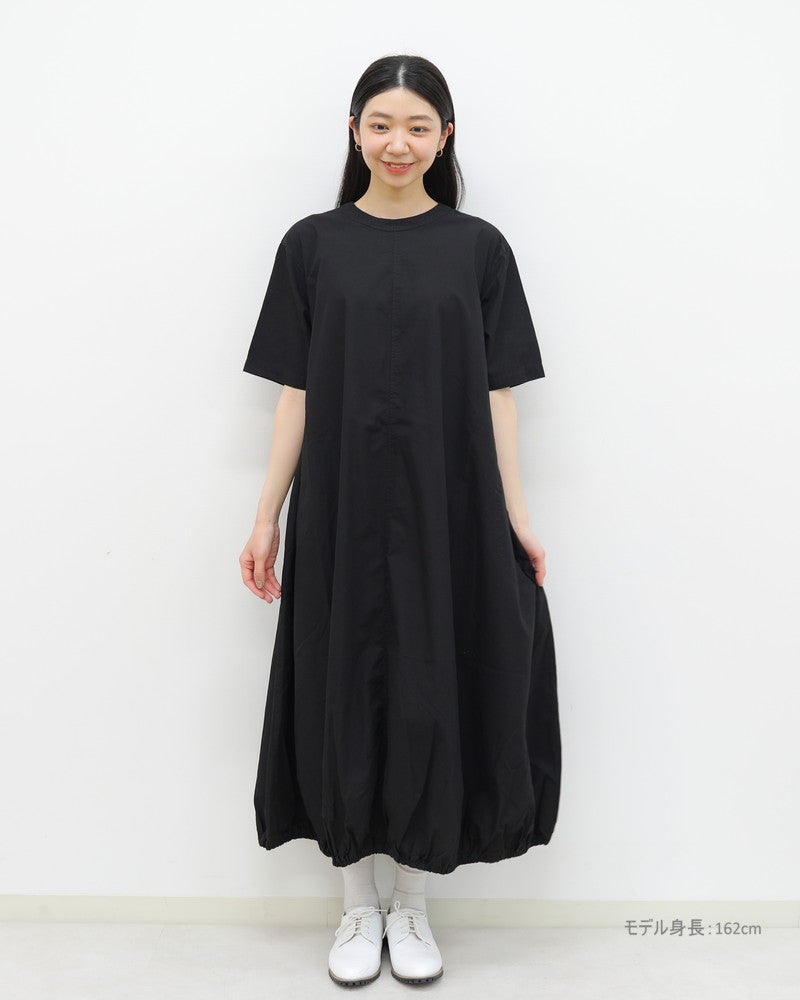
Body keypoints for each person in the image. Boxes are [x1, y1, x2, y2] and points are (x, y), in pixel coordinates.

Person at [239, 53, 561, 988]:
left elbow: (499, 395)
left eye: (418, 127)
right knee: (340, 681)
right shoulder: (311, 246)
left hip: (448, 503)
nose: (398, 143)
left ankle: (411, 904)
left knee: (428, 684)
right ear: (354, 132)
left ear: (444, 138)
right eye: (380, 124)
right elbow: (295, 394)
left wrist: (517, 516)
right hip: (339, 506)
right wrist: (265, 517)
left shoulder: (478, 248)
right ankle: (355, 906)